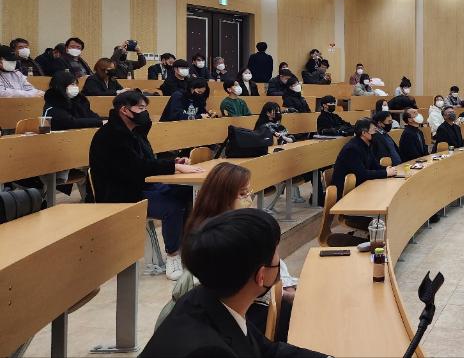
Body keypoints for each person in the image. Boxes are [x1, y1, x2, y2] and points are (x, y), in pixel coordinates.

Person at [140, 209, 327, 357]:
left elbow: (266, 350)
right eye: (276, 252)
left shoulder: (208, 298)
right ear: (261, 275)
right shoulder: (209, 351)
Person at [156, 164, 299, 342]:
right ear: (222, 198)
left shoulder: (239, 225)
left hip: (234, 307)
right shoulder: (213, 238)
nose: (249, 200)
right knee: (287, 315)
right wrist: (282, 294)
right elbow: (235, 290)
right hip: (225, 312)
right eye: (242, 194)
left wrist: (286, 287)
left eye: (249, 192)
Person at [89, 90, 204, 280]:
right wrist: (173, 167)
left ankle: (188, 247)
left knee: (186, 191)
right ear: (124, 110)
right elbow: (136, 168)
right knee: (172, 207)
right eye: (141, 108)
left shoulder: (134, 132)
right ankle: (173, 255)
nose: (145, 113)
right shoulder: (111, 136)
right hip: (121, 194)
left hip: (141, 185)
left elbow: (148, 160)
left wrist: (174, 162)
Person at [331, 118, 397, 198]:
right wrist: (385, 173)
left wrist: (387, 169)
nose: (376, 133)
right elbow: (362, 174)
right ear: (364, 133)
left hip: (358, 186)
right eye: (374, 130)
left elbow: (374, 165)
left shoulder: (367, 144)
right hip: (345, 193)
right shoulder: (352, 149)